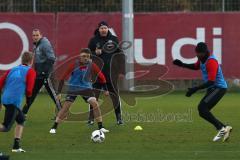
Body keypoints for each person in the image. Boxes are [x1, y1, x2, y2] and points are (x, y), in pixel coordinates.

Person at [173, 42, 232, 142]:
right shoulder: (202, 59)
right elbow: (196, 66)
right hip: (213, 88)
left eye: (199, 53)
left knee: (202, 108)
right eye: (196, 53)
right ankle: (225, 127)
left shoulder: (211, 62)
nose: (197, 55)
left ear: (204, 53)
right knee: (202, 112)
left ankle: (221, 129)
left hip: (219, 88)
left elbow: (211, 81)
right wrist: (182, 64)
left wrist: (194, 89)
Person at [49, 48, 109, 134]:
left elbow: (102, 77)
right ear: (79, 57)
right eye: (84, 56)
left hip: (86, 88)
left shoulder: (92, 65)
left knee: (95, 104)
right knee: (66, 107)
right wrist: (59, 92)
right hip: (73, 88)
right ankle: (54, 126)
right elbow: (62, 78)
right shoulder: (73, 65)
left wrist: (106, 89)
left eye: (87, 56)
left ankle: (101, 127)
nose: (86, 58)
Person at [88, 21, 125, 125]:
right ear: (98, 29)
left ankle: (119, 118)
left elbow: (119, 54)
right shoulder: (93, 40)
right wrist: (94, 53)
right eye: (101, 28)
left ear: (108, 29)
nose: (103, 30)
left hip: (111, 73)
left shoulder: (114, 39)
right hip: (97, 73)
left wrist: (122, 70)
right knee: (94, 96)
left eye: (105, 28)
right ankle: (91, 118)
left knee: (114, 95)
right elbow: (87, 54)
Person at [0, 51, 36, 152]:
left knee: (21, 120)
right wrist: (28, 101)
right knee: (6, 127)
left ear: (22, 60)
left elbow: (0, 83)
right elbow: (29, 90)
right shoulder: (30, 71)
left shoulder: (12, 69)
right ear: (31, 61)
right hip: (14, 101)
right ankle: (16, 146)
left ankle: (16, 146)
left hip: (6, 99)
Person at [22, 29, 61, 117]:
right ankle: (24, 112)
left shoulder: (45, 44)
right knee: (32, 93)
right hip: (39, 74)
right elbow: (37, 60)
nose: (35, 37)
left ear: (41, 35)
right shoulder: (36, 45)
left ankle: (62, 113)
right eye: (34, 35)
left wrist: (45, 72)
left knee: (53, 94)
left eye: (37, 35)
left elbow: (51, 58)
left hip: (46, 74)